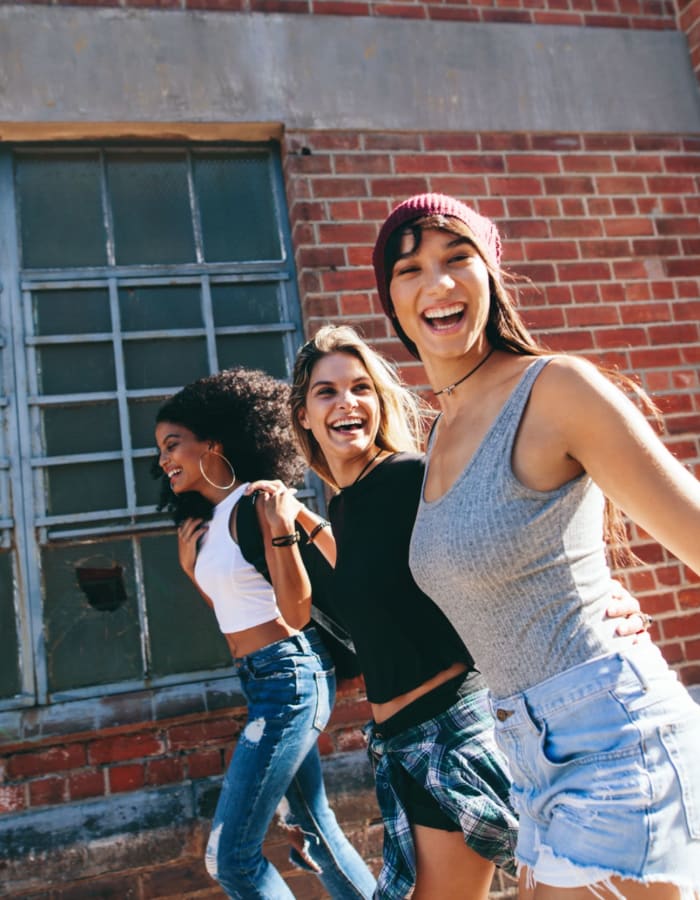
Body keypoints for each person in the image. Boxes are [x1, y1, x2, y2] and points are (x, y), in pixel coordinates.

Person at [372, 192, 700, 898]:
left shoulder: (554, 389)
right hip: (527, 758)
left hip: (617, 739)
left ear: (491, 275)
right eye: (410, 269)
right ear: (391, 301)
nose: (438, 283)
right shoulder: (438, 434)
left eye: (458, 259)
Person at [265, 324, 651, 900]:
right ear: (303, 414)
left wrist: (605, 593)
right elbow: (309, 609)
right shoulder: (344, 509)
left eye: (361, 388)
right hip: (402, 746)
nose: (347, 403)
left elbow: (512, 528)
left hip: (457, 735)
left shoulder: (411, 479)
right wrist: (284, 526)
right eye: (327, 392)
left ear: (379, 401)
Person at [154, 367, 376, 900]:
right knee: (316, 832)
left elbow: (313, 595)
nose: (163, 462)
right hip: (260, 680)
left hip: (290, 676)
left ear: (213, 443)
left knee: (230, 859)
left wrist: (286, 530)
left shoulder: (258, 501)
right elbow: (236, 611)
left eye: (173, 445)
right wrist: (192, 572)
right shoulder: (206, 525)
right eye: (159, 451)